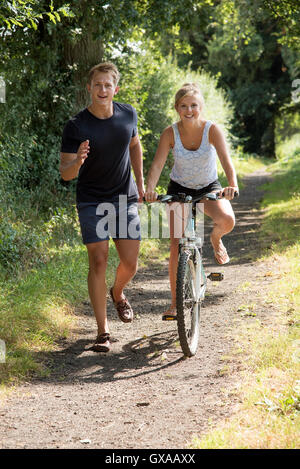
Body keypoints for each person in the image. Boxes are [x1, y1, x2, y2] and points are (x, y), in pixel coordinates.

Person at [60, 62, 144, 352]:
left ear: (115, 88)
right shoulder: (76, 125)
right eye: (98, 85)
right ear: (89, 88)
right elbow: (65, 173)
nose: (103, 89)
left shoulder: (128, 114)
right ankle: (103, 332)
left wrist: (141, 185)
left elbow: (135, 146)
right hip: (91, 199)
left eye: (108, 85)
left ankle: (117, 293)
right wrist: (78, 161)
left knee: (131, 262)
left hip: (124, 197)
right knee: (98, 259)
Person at [145, 83, 238, 320]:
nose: (189, 110)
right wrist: (150, 190)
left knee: (227, 220)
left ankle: (215, 239)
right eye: (184, 106)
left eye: (193, 105)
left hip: (208, 187)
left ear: (201, 107)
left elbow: (226, 160)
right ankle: (175, 304)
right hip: (179, 188)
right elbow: (157, 165)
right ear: (177, 108)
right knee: (177, 245)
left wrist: (232, 185)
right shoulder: (170, 133)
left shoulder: (211, 130)